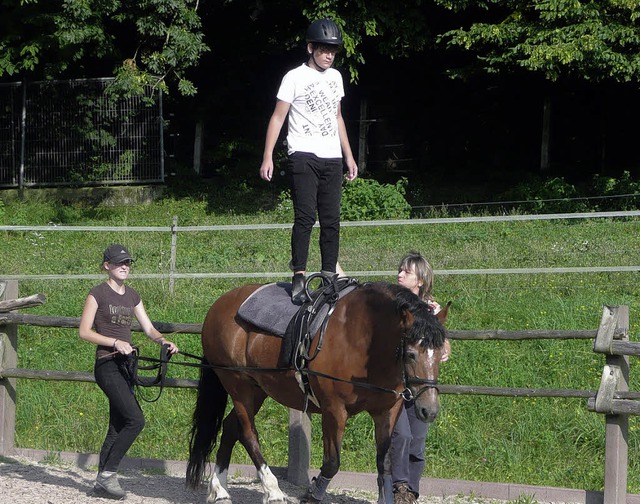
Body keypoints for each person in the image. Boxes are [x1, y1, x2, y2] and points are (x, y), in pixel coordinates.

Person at [259, 18, 358, 303]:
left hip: (331, 157)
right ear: (310, 47)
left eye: (333, 51)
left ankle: (329, 275)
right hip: (302, 154)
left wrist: (349, 156)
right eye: (324, 49)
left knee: (332, 220)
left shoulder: (336, 78)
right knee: (305, 216)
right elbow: (278, 117)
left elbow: (337, 117)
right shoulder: (294, 77)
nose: (329, 55)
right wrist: (268, 156)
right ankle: (299, 276)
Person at [79, 244, 178, 499]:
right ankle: (108, 475)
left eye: (128, 263)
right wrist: (115, 342)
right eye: (119, 262)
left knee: (118, 423)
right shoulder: (97, 294)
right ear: (107, 266)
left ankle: (102, 482)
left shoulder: (132, 295)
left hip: (126, 365)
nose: (125, 266)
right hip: (107, 364)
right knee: (136, 420)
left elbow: (148, 328)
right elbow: (84, 332)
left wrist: (163, 341)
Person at [389, 251, 450, 504]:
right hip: (394, 383)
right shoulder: (391, 304)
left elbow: (442, 341)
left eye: (406, 271)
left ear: (421, 281)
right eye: (400, 270)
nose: (400, 274)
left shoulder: (431, 310)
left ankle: (411, 492)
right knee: (401, 435)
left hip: (420, 383)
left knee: (418, 441)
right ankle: (399, 487)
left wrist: (446, 346)